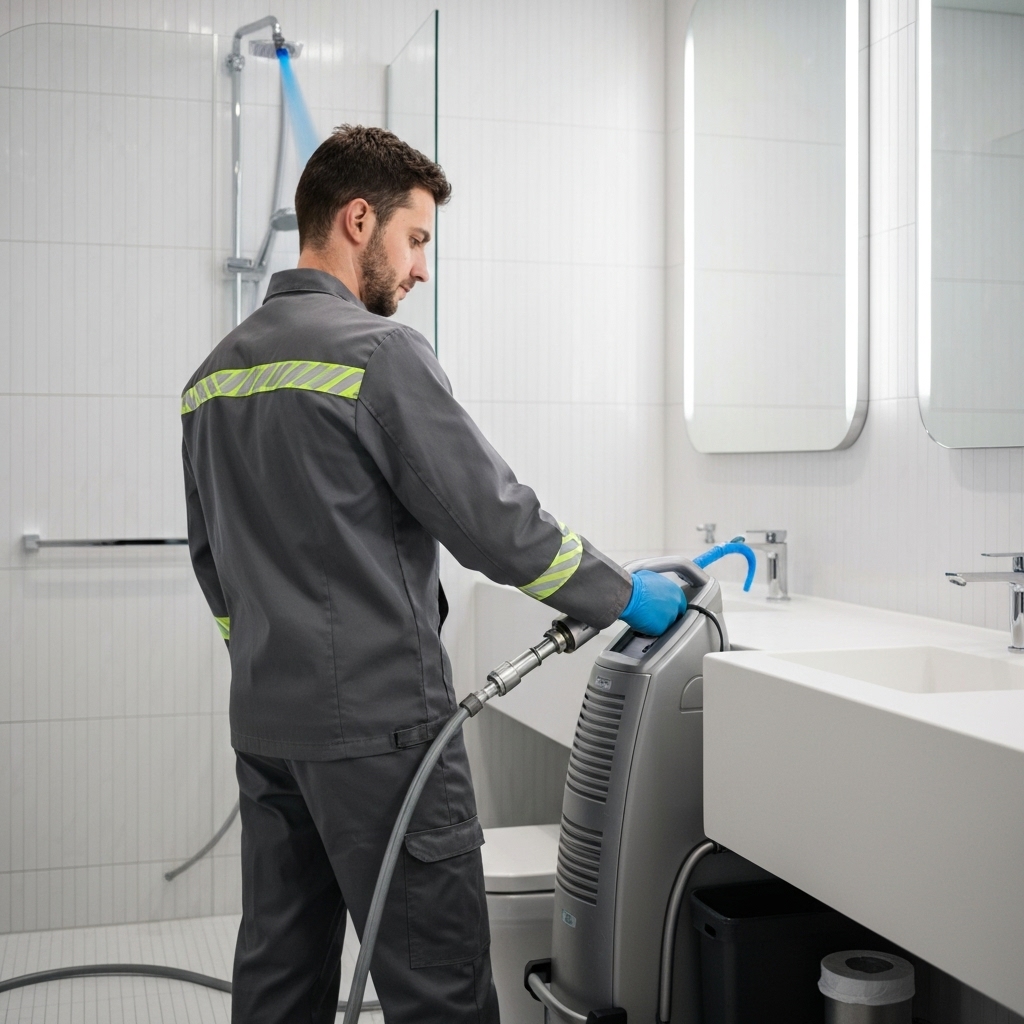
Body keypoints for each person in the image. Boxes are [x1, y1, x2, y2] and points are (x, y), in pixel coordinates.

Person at [181, 124, 685, 1024]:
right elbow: (494, 522)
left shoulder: (212, 379)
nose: (419, 270)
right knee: (437, 987)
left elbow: (213, 566)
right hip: (383, 732)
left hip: (267, 725)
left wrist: (268, 653)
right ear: (359, 218)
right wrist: (622, 593)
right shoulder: (379, 356)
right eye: (415, 240)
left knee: (279, 971)